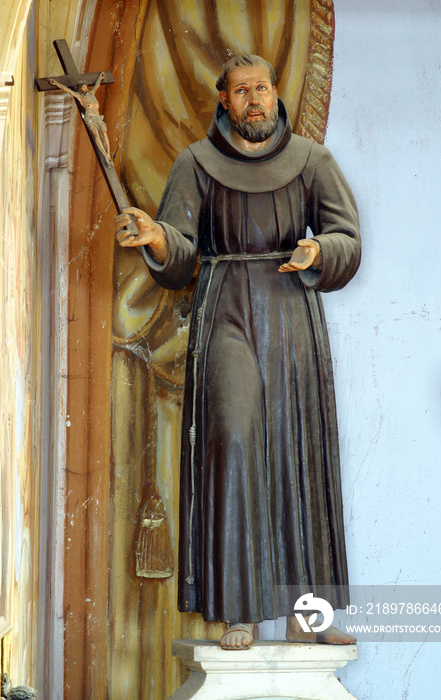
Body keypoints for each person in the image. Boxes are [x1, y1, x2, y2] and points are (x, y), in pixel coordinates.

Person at [115, 54, 360, 650]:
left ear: (276, 94)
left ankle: (308, 611)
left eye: (264, 88)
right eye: (243, 91)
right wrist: (155, 237)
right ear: (222, 100)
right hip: (224, 308)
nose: (256, 99)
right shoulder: (196, 164)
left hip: (291, 314)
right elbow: (179, 254)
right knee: (234, 439)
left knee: (296, 444)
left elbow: (347, 239)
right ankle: (239, 609)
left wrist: (319, 252)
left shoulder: (312, 161)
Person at [49, 72, 114, 167]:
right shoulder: (80, 96)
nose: (84, 89)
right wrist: (56, 83)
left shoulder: (92, 94)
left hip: (98, 117)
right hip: (89, 117)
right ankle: (105, 156)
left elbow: (97, 86)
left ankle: (108, 154)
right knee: (96, 133)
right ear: (80, 90)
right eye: (82, 88)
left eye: (84, 86)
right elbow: (67, 90)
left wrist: (100, 78)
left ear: (86, 86)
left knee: (104, 132)